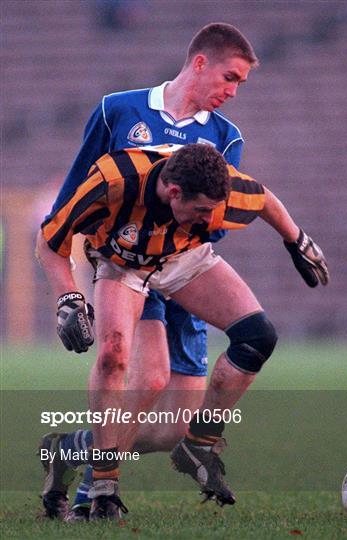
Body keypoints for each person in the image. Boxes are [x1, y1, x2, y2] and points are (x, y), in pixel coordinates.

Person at [36, 143, 329, 520]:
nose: (211, 220)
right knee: (114, 356)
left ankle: (197, 445)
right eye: (203, 211)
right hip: (121, 265)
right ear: (174, 192)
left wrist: (297, 241)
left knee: (256, 337)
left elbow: (263, 199)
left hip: (181, 257)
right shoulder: (114, 181)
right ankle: (104, 486)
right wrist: (69, 298)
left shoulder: (216, 192)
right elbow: (49, 240)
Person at [39, 22, 258, 521]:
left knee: (169, 431)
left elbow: (214, 227)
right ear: (199, 62)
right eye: (230, 77)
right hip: (129, 267)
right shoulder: (118, 110)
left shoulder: (226, 137)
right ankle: (96, 494)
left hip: (184, 275)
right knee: (143, 375)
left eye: (240, 84)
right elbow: (76, 195)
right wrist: (74, 285)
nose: (233, 91)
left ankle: (73, 448)